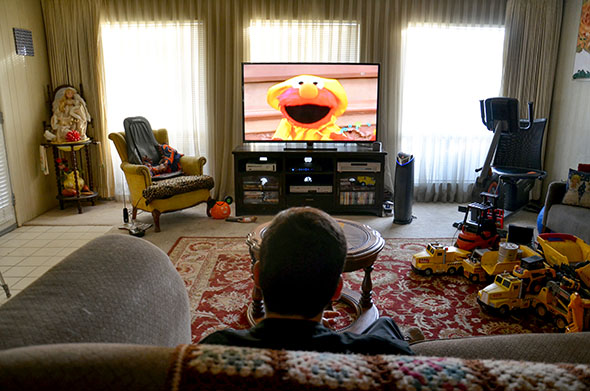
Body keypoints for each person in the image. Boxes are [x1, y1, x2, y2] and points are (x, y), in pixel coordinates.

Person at [200, 207, 416, 355]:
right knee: (386, 324)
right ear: (336, 291)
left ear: (256, 276)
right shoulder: (387, 354)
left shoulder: (213, 349)